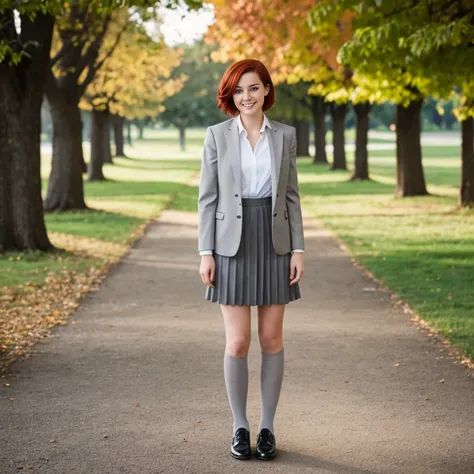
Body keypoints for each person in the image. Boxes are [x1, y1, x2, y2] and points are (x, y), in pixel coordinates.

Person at [197, 58, 305, 461]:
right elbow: (208, 197)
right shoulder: (217, 136)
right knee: (238, 341)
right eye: (239, 90)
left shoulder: (286, 136)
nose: (247, 96)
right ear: (231, 95)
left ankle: (267, 429)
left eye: (254, 88)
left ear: (266, 91)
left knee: (271, 339)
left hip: (275, 241)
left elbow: (291, 195)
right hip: (231, 245)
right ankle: (240, 426)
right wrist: (205, 253)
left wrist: (299, 249)